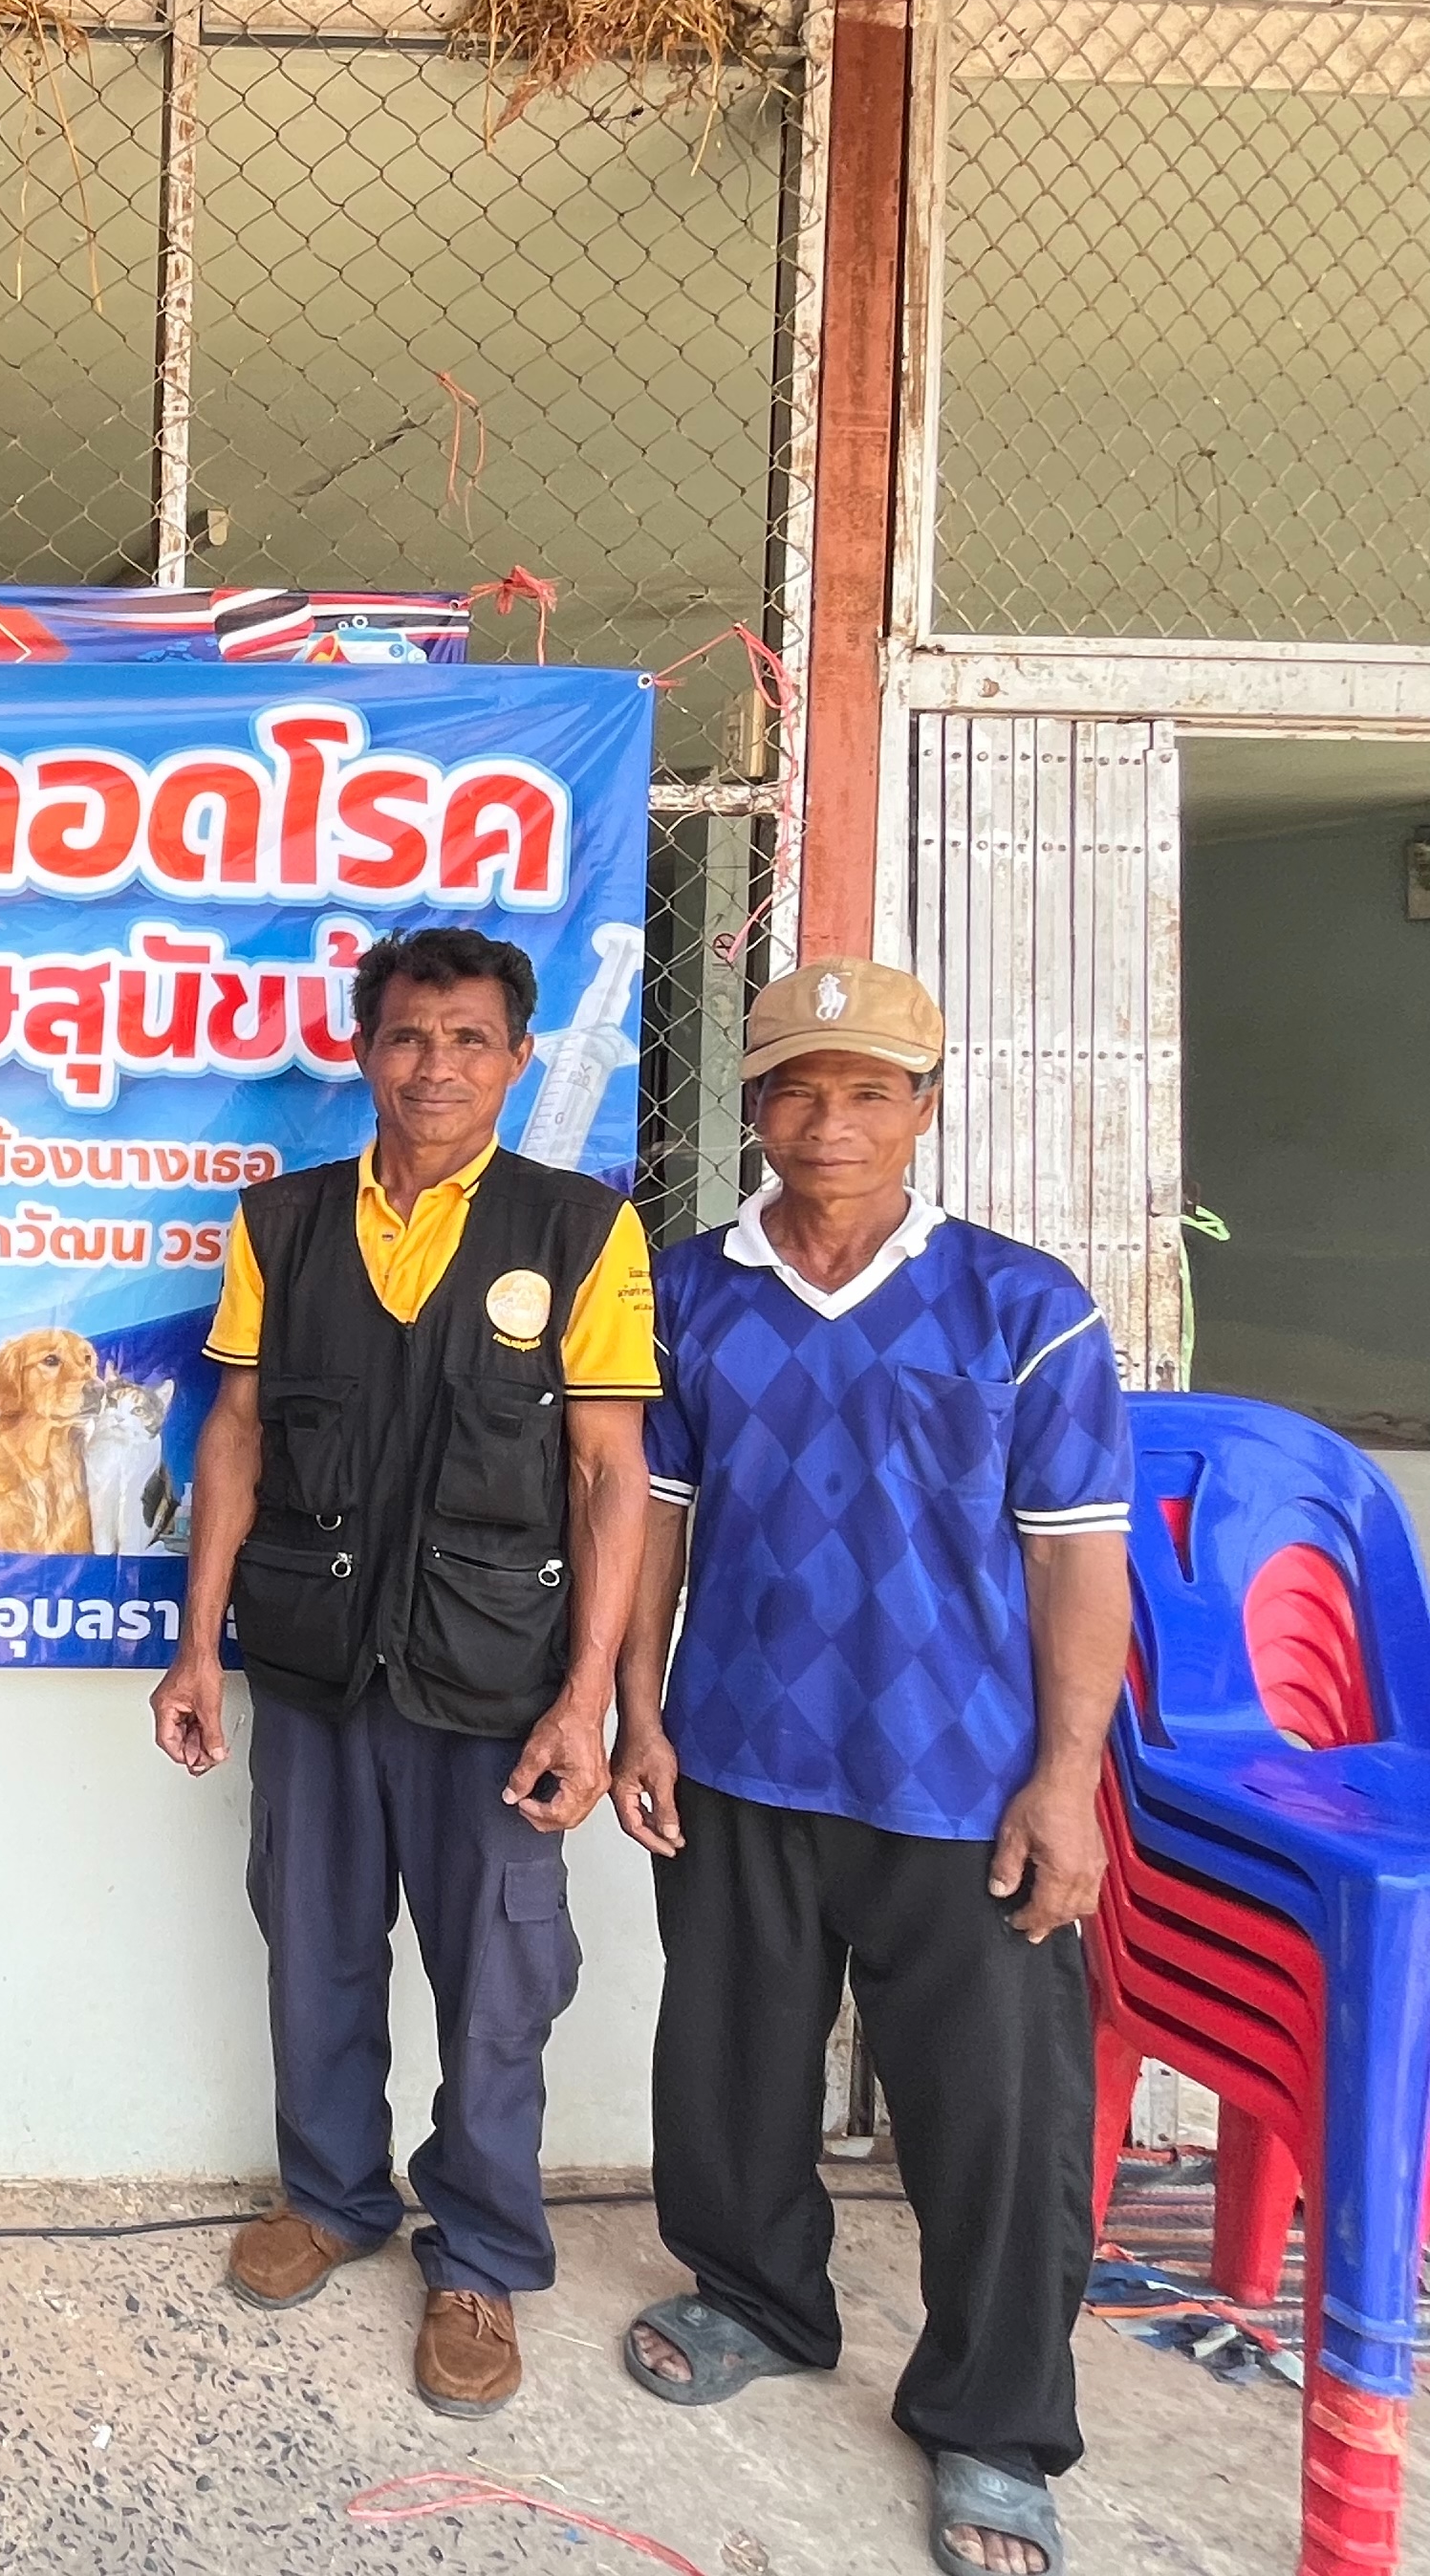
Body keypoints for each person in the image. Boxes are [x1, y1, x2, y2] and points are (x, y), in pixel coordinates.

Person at [616, 961, 1129, 2576]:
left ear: (924, 1105)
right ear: (754, 1108)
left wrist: (1066, 1779)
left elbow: (1078, 1559)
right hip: (739, 1753)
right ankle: (761, 2297)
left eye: (867, 1091)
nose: (828, 1122)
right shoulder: (689, 1291)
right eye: (796, 1088)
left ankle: (995, 2422)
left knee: (996, 2115)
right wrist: (639, 1712)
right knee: (732, 2069)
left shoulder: (1024, 1305)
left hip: (961, 1779)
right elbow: (651, 1525)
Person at [152, 922, 655, 2418]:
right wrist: (198, 1645)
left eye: (469, 1039)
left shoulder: (580, 1230)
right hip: (315, 1669)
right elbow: (236, 1433)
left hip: (498, 1685)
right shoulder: (284, 1223)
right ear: (366, 1053)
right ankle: (331, 2197)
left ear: (517, 1059)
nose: (437, 1065)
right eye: (410, 1037)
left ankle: (481, 2255)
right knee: (313, 1943)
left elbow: (610, 1473)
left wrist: (589, 1700)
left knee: (498, 1977)